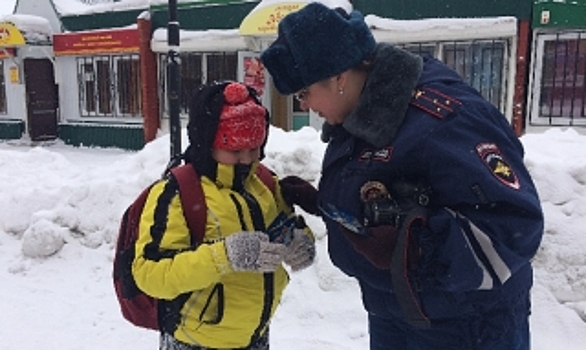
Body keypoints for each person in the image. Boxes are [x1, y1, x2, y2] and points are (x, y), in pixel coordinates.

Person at [261, 3, 544, 350]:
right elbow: (386, 192)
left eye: (304, 93)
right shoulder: (357, 112)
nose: (303, 105)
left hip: (465, 326)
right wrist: (327, 202)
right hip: (395, 312)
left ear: (338, 77)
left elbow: (514, 226)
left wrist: (416, 248)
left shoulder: (444, 120)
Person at [131, 81, 317, 350]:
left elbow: (284, 226)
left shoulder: (263, 182)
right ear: (207, 144)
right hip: (195, 342)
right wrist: (224, 256)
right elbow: (149, 274)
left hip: (256, 337)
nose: (246, 159)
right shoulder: (178, 194)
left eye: (254, 148)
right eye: (234, 151)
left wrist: (299, 242)